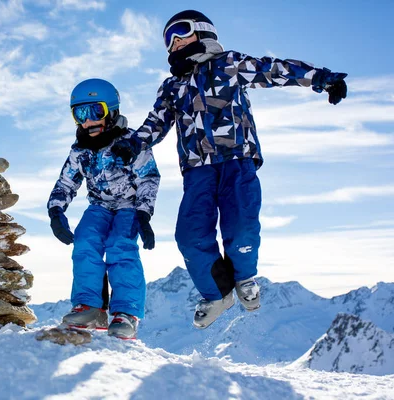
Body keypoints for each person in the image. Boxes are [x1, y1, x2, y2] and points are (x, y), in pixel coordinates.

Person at [110, 10, 348, 329]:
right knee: (189, 235)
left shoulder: (230, 65)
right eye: (168, 38)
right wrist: (133, 143)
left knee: (241, 224)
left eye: (180, 32)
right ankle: (217, 293)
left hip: (238, 161)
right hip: (198, 171)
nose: (174, 41)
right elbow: (155, 123)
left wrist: (320, 78)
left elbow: (273, 71)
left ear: (203, 32)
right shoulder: (172, 87)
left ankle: (245, 278)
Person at [47, 78, 160, 339]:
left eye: (95, 111)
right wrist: (56, 211)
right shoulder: (80, 150)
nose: (88, 121)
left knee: (120, 245)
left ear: (111, 111)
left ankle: (126, 313)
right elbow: (66, 182)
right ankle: (90, 306)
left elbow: (149, 177)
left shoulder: (130, 143)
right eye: (80, 114)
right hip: (99, 206)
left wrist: (144, 214)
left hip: (129, 206)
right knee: (86, 241)